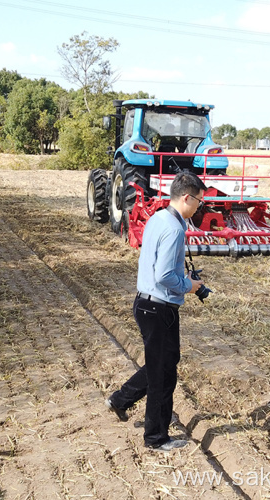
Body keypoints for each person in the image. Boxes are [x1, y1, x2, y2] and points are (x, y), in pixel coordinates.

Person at [105, 171, 207, 452]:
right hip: (159, 306)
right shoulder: (174, 228)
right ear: (186, 197)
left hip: (148, 303)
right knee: (162, 373)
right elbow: (163, 275)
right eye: (199, 201)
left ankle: (121, 400)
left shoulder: (159, 217)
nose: (199, 207)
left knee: (164, 363)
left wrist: (181, 275)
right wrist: (190, 285)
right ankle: (156, 437)